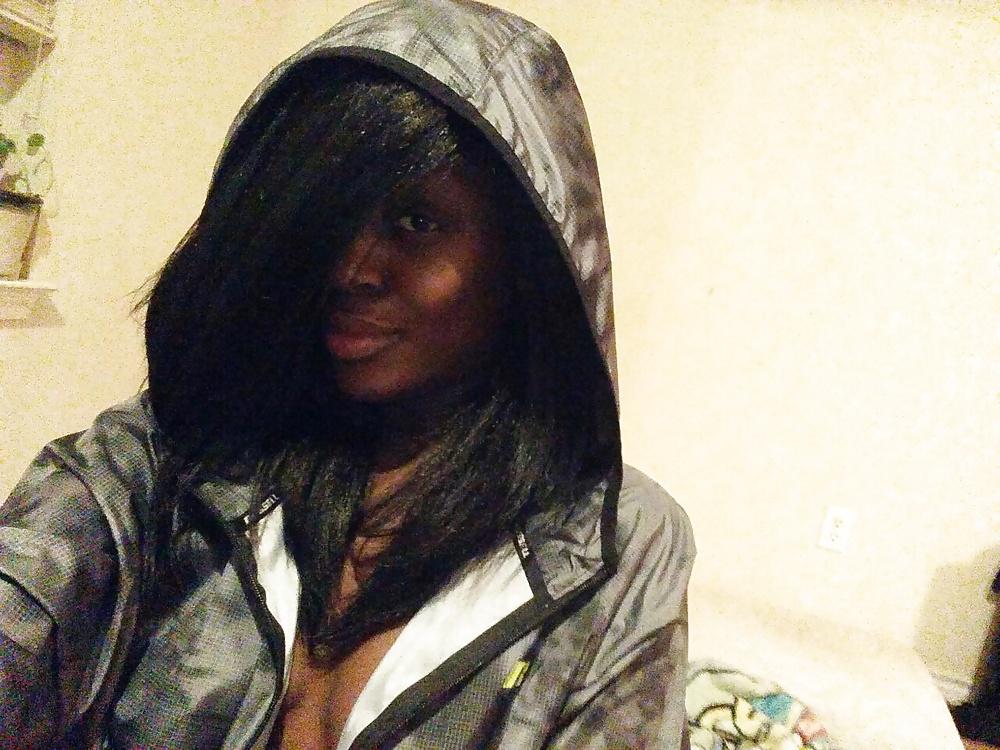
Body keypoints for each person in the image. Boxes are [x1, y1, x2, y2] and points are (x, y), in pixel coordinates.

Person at [0, 1, 695, 747]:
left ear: (522, 263)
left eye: (416, 222)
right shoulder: (180, 453)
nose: (349, 268)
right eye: (332, 218)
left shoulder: (608, 548)